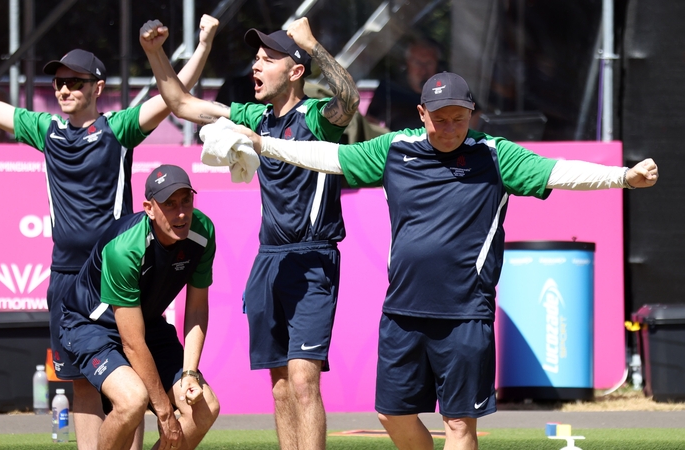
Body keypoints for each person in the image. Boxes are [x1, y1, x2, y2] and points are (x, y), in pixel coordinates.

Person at [233, 71, 659, 450]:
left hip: (465, 315)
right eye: (440, 118)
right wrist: (264, 144)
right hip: (401, 312)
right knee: (391, 416)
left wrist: (623, 178)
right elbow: (329, 157)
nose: (450, 127)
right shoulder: (395, 149)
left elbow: (556, 172)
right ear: (421, 113)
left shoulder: (496, 155)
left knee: (458, 423)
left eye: (459, 117)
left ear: (472, 114)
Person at [0, 16, 218, 450]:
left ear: (97, 87)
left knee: (130, 381)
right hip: (66, 279)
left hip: (118, 273)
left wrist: (203, 43)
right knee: (81, 384)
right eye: (58, 83)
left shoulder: (118, 129)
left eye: (75, 82)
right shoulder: (47, 131)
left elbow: (173, 97)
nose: (64, 90)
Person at [139, 17, 360, 450]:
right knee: (279, 387)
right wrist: (154, 52)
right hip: (268, 262)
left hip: (312, 259)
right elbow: (180, 103)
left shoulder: (317, 117)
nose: (256, 67)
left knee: (302, 381)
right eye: (255, 59)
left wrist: (311, 43)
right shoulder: (252, 116)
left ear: (295, 71)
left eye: (268, 59)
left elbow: (348, 99)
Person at [60, 165, 220, 450]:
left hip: (145, 321)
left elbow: (196, 309)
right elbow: (132, 343)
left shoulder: (203, 232)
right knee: (132, 400)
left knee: (205, 407)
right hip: (91, 325)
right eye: (169, 204)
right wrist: (164, 410)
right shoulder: (125, 249)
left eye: (186, 200)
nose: (181, 212)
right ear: (149, 207)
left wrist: (190, 373)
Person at [366, 39, 440, 132]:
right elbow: (370, 122)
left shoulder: (446, 89)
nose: (423, 70)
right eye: (417, 63)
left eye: (429, 63)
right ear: (408, 63)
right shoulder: (390, 88)